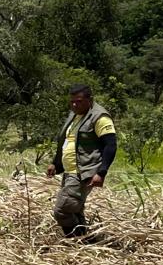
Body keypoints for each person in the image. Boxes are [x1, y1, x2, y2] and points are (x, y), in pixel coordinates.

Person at [46, 83, 117, 238]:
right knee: (74, 209)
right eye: (72, 101)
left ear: (89, 99)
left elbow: (110, 146)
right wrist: (56, 164)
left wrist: (101, 172)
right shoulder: (74, 115)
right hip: (70, 171)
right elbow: (67, 141)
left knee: (62, 210)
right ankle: (85, 241)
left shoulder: (99, 117)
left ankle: (76, 240)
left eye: (78, 101)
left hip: (83, 172)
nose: (74, 104)